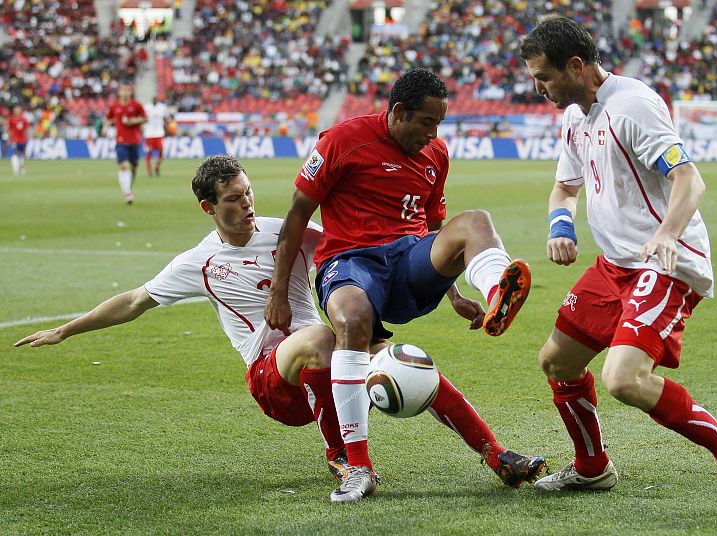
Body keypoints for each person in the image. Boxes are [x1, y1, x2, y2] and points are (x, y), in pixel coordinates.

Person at [15, 154, 544, 495]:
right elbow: (134, 301)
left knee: (404, 360)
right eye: (232, 200)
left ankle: (497, 456)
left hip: (327, 356)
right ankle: (343, 457)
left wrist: (450, 293)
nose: (246, 205)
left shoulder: (284, 231)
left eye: (247, 193)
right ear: (208, 207)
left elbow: (356, 254)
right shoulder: (198, 262)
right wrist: (67, 329)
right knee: (318, 336)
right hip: (272, 377)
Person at [519, 15, 717, 523]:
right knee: (557, 362)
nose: (537, 88)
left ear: (576, 65)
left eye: (544, 77)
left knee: (624, 379)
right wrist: (560, 225)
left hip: (664, 263)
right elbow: (564, 187)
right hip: (615, 265)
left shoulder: (632, 105)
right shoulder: (574, 115)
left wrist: (666, 234)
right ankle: (592, 467)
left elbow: (689, 179)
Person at [265, 68, 538, 503]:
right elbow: (298, 212)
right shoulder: (341, 140)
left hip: (408, 260)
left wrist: (452, 293)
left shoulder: (436, 155)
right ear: (397, 113)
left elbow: (434, 225)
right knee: (353, 323)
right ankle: (358, 469)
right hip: (351, 263)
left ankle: (495, 296)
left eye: (439, 125)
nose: (433, 134)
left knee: (475, 222)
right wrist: (279, 289)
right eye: (426, 122)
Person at [104, 83, 147, 204]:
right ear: (119, 93)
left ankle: (128, 186)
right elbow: (108, 118)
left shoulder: (136, 105)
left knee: (133, 168)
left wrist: (134, 120)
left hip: (134, 140)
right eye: (123, 90)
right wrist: (105, 127)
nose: (125, 93)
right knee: (122, 165)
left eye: (127, 90)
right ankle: (127, 192)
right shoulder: (114, 106)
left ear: (130, 92)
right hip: (120, 141)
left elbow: (145, 118)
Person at [143, 97, 169, 177]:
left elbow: (165, 119)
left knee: (161, 151)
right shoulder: (146, 107)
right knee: (149, 152)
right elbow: (142, 118)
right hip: (149, 133)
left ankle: (156, 167)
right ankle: (149, 170)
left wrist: (166, 129)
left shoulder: (162, 107)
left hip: (159, 133)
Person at [5, 105, 30, 176]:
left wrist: (28, 138)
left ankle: (22, 168)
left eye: (18, 109)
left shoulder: (24, 119)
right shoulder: (11, 119)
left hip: (22, 140)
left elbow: (27, 129)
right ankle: (15, 171)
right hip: (14, 140)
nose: (17, 111)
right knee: (14, 154)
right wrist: (8, 138)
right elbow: (9, 130)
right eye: (15, 109)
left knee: (22, 155)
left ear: (20, 110)